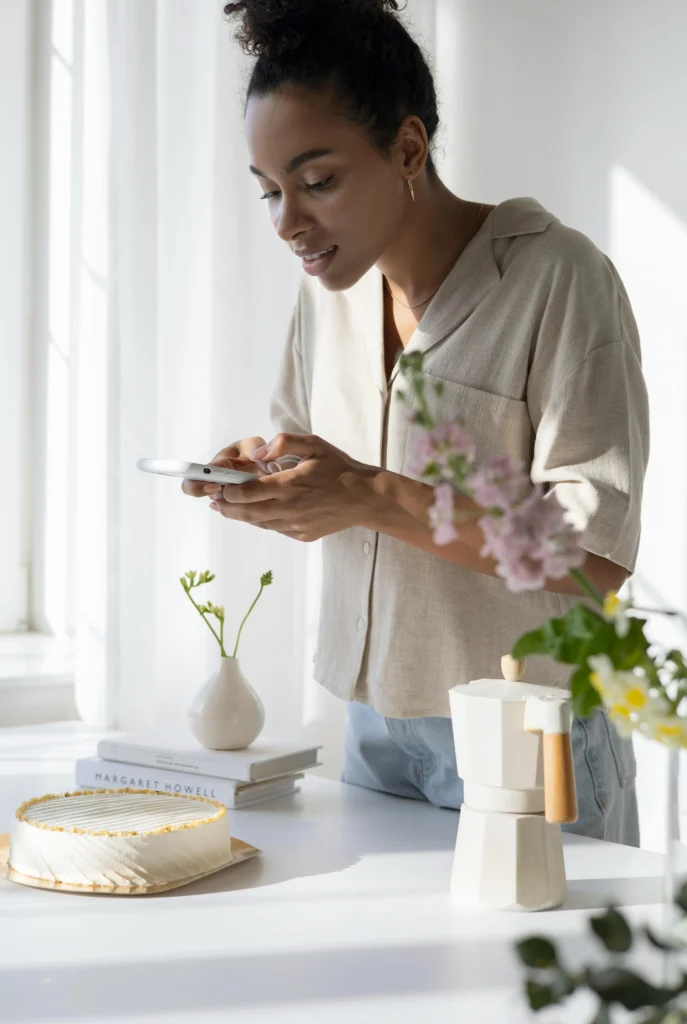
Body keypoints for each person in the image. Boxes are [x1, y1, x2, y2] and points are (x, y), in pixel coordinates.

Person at [183, 0, 650, 845]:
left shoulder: (558, 277)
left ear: (406, 147)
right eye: (270, 191)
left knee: (533, 973)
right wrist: (263, 481)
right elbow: (309, 457)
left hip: (527, 729)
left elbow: (594, 558)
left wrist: (366, 493)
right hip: (370, 727)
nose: (289, 221)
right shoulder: (328, 289)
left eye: (317, 181)